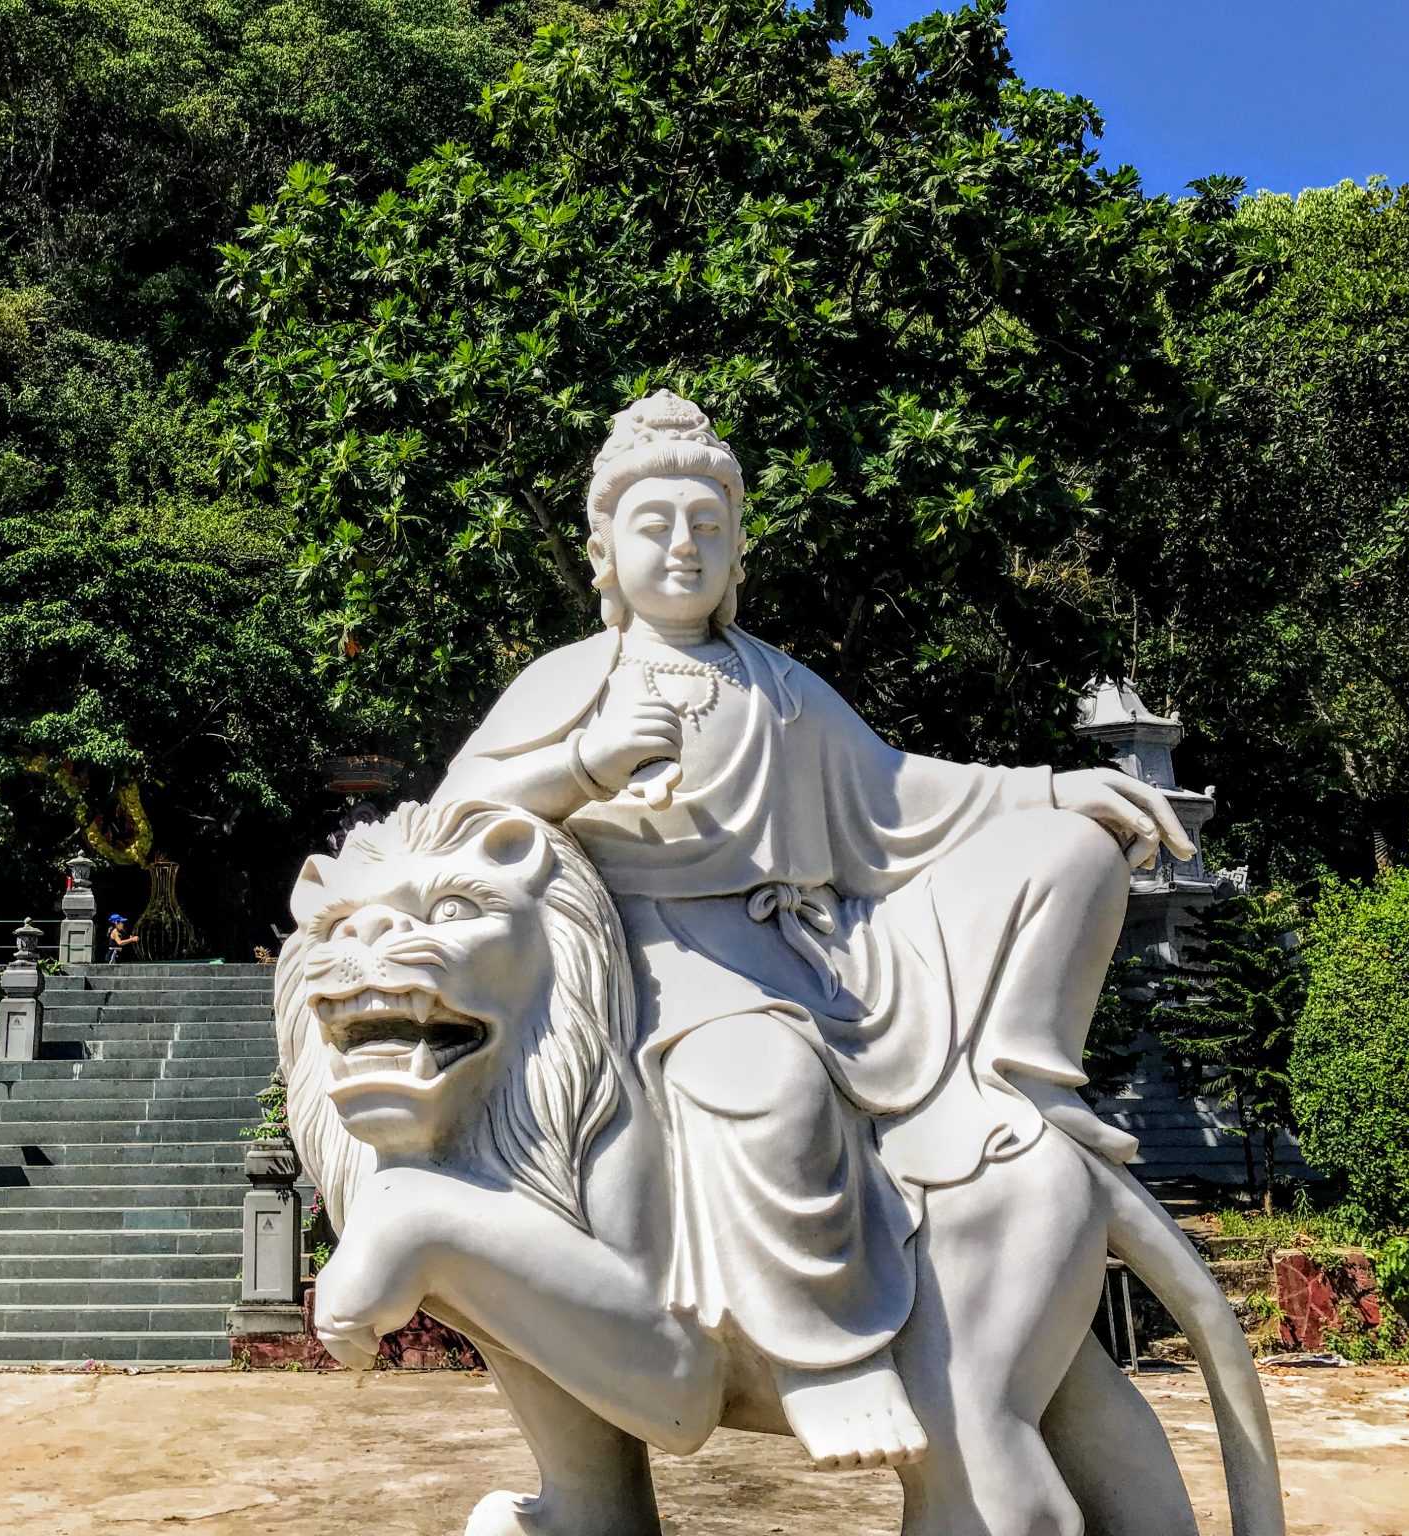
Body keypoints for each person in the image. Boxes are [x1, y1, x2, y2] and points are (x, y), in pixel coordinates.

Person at [437, 391, 1190, 1472]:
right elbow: (457, 820)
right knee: (768, 1080)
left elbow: (893, 794)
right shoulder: (571, 680)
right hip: (662, 963)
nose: (683, 547)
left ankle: (1012, 1086)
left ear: (739, 545)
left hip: (823, 953)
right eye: (654, 526)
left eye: (707, 525)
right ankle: (824, 1356)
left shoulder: (779, 686)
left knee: (1067, 856)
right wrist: (583, 764)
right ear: (603, 548)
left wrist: (1050, 789)